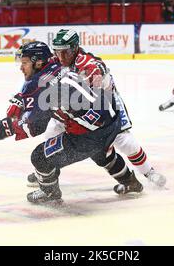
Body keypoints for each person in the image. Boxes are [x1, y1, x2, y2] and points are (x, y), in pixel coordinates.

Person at [0, 41, 143, 204]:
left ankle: (50, 193)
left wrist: (4, 129)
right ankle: (131, 183)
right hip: (110, 120)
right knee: (102, 154)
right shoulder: (56, 65)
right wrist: (21, 100)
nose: (21, 67)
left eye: (24, 63)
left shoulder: (46, 88)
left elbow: (35, 127)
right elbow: (35, 93)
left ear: (38, 62)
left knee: (39, 157)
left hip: (89, 136)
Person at [26, 30, 166, 187]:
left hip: (105, 105)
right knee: (52, 132)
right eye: (58, 52)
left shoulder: (87, 63)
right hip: (75, 109)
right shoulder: (58, 59)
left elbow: (97, 72)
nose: (61, 57)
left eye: (65, 52)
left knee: (124, 140)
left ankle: (149, 172)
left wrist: (93, 77)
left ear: (74, 48)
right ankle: (46, 171)